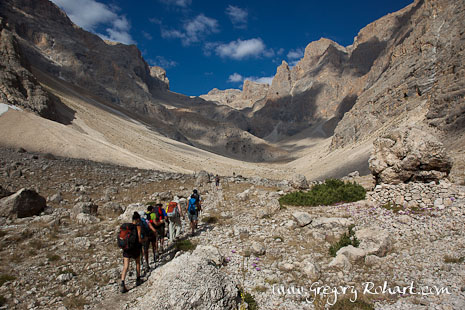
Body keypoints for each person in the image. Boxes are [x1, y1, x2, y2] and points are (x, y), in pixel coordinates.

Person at [120, 212, 144, 293]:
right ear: (137, 219)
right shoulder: (138, 227)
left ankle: (122, 283)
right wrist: (143, 241)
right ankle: (138, 279)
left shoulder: (127, 227)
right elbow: (139, 239)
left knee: (125, 266)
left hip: (126, 249)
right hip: (135, 248)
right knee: (137, 262)